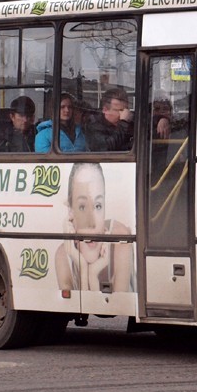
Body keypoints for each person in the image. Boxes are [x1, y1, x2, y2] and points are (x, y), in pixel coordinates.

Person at [54, 162, 133, 293]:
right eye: (82, 207)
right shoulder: (63, 256)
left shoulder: (121, 240)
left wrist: (92, 276)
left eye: (97, 206)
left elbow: (118, 308)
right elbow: (80, 312)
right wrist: (86, 272)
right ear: (70, 211)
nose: (91, 223)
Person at [84, 86, 134, 152]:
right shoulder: (94, 126)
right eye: (119, 110)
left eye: (126, 110)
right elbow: (106, 148)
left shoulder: (129, 123)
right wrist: (123, 123)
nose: (124, 114)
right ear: (105, 110)